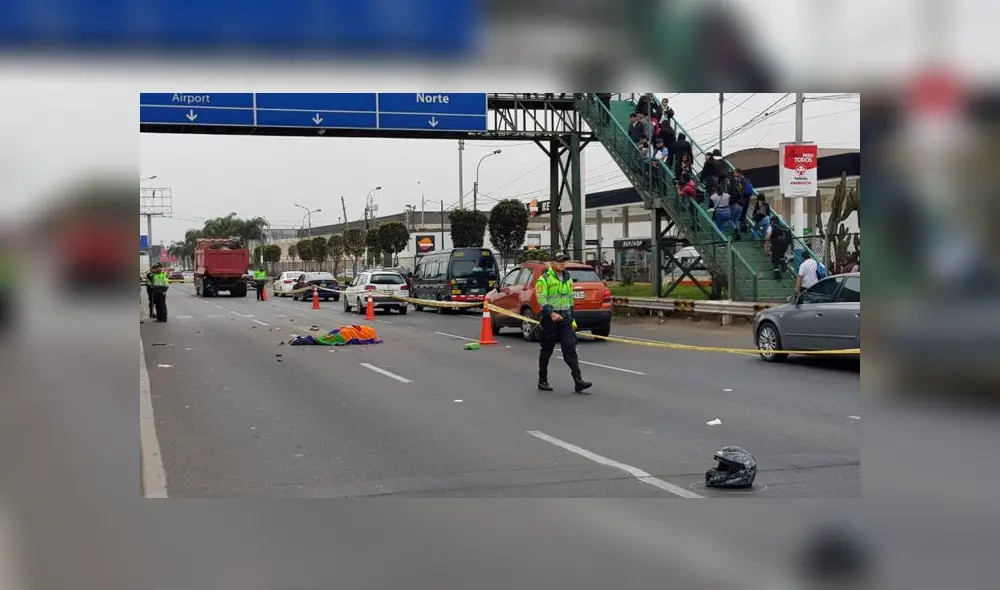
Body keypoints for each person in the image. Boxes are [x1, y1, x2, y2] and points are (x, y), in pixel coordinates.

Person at [535, 253, 591, 394]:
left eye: (564, 261)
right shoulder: (544, 279)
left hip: (565, 319)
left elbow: (570, 300)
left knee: (570, 350)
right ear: (552, 263)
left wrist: (572, 319)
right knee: (546, 351)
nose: (562, 263)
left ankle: (578, 381)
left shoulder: (568, 279)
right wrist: (551, 313)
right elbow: (541, 299)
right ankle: (542, 380)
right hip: (550, 320)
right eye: (559, 261)